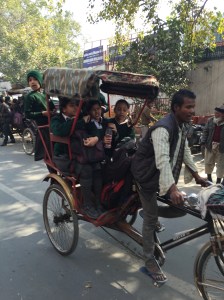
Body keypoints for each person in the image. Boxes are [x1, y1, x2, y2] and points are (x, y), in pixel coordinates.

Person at [131, 89, 207, 284]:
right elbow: (162, 160)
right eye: (188, 107)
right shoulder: (163, 128)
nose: (192, 111)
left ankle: (149, 211)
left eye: (193, 107)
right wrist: (172, 189)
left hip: (160, 175)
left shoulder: (180, 125)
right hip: (146, 176)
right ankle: (149, 260)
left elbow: (185, 149)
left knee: (181, 210)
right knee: (150, 220)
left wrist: (197, 175)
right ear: (176, 108)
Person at [50, 98, 104, 219]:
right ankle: (87, 205)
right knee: (86, 170)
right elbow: (61, 131)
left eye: (76, 105)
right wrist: (80, 122)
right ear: (64, 108)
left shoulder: (82, 117)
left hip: (81, 154)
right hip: (64, 156)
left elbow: (94, 129)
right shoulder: (56, 119)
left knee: (98, 167)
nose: (76, 108)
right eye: (71, 105)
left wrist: (95, 138)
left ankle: (99, 203)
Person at [24, 70, 56, 161]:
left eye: (35, 79)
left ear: (40, 81)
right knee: (49, 153)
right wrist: (42, 113)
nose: (32, 82)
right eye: (30, 80)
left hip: (53, 124)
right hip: (43, 127)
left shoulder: (45, 93)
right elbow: (27, 114)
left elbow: (52, 107)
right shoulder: (30, 97)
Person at [201, 104, 224, 184]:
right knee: (208, 162)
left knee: (221, 165)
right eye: (215, 113)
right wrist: (203, 141)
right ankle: (209, 179)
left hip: (221, 148)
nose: (216, 114)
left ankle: (218, 182)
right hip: (210, 145)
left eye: (218, 113)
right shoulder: (210, 120)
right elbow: (205, 131)